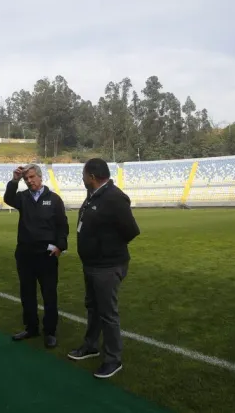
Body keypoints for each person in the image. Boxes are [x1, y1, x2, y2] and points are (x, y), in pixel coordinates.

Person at [67, 158, 140, 379]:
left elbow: (131, 231)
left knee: (108, 313)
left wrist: (106, 246)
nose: (82, 178)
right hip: (92, 264)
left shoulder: (115, 198)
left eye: (83, 174)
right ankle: (91, 345)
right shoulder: (93, 195)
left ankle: (113, 359)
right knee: (93, 307)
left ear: (92, 176)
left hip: (108, 265)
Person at [3, 163, 69, 348]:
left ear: (40, 177)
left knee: (49, 294)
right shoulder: (22, 197)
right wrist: (14, 181)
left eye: (32, 177)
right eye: (26, 179)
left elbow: (62, 226)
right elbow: (8, 198)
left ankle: (50, 332)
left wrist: (60, 247)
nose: (29, 181)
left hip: (46, 255)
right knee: (27, 294)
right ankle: (31, 327)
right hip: (25, 255)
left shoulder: (54, 199)